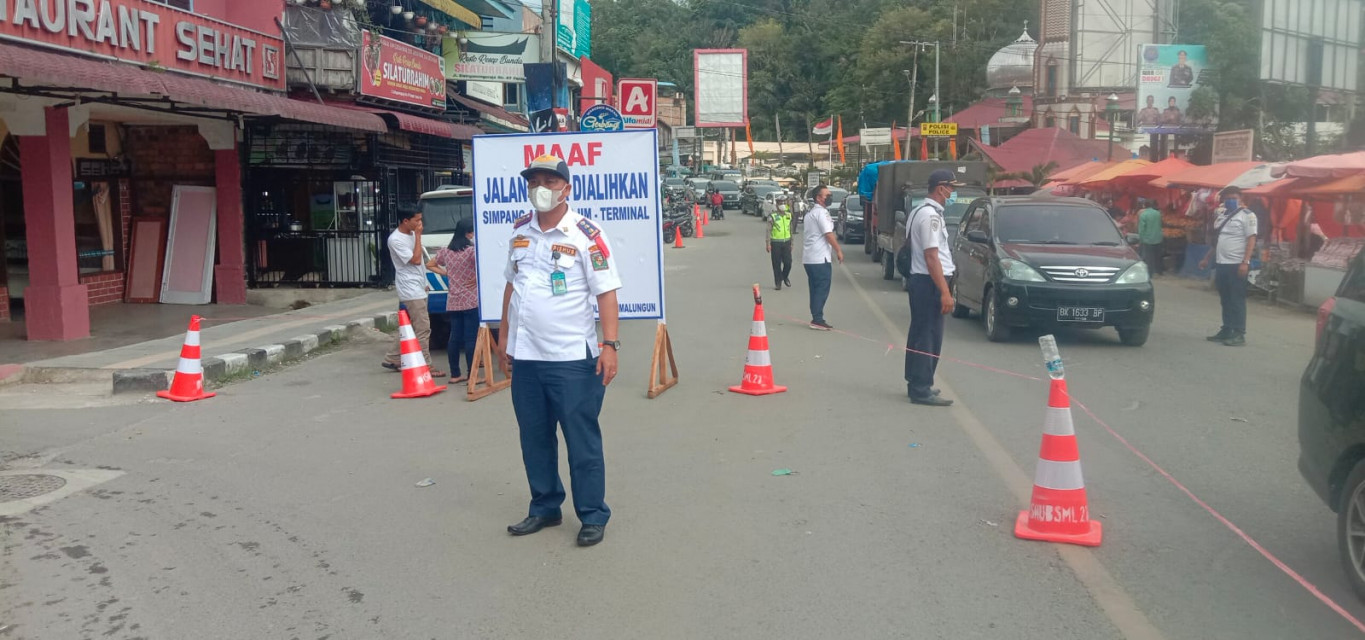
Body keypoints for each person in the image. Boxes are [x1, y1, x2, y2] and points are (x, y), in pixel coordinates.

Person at [496, 154, 622, 548]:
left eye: (550, 182)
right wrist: (503, 338)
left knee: (580, 438)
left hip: (571, 357)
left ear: (567, 189)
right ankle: (545, 506)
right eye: (534, 181)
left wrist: (610, 345)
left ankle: (592, 514)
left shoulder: (585, 234)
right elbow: (511, 287)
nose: (541, 189)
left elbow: (606, 291)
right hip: (527, 357)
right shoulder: (520, 231)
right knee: (534, 436)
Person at [904, 170, 960, 407]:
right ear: (940, 188)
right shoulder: (930, 216)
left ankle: (918, 382)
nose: (952, 193)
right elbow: (931, 256)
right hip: (930, 283)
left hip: (924, 281)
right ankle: (921, 388)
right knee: (928, 337)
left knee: (921, 334)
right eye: (951, 188)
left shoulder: (920, 211)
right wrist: (945, 292)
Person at [382, 207, 445, 377]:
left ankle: (393, 357)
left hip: (418, 286)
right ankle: (426, 365)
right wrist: (418, 236)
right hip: (410, 289)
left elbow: (422, 262)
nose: (420, 224)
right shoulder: (396, 240)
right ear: (405, 221)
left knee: (408, 326)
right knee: (423, 328)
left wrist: (425, 282)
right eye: (417, 220)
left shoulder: (410, 235)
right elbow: (416, 260)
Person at [1200, 186, 1257, 347]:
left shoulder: (1248, 216)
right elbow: (1217, 240)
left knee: (1236, 299)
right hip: (1221, 263)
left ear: (1240, 198)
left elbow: (1251, 239)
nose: (1230, 200)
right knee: (1225, 299)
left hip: (1237, 264)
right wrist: (1206, 258)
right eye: (1227, 198)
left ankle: (1239, 333)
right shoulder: (1221, 215)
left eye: (1234, 197)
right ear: (1223, 200)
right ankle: (1227, 329)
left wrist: (1245, 262)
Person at [427, 218, 478, 383]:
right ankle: (472, 375)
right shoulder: (471, 251)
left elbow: (430, 264)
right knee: (470, 338)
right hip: (471, 300)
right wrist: (476, 279)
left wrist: (446, 273)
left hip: (453, 300)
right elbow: (483, 267)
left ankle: (455, 374)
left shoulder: (446, 251)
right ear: (468, 233)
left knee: (454, 338)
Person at [801, 184, 843, 330]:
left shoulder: (811, 213)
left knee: (815, 288)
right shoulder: (821, 213)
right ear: (819, 198)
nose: (830, 197)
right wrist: (838, 250)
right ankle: (817, 319)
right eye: (827, 195)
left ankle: (816, 317)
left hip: (809, 258)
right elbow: (828, 234)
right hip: (819, 258)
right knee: (822, 288)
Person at [766, 194, 795, 290]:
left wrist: (792, 243)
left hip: (786, 242)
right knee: (776, 264)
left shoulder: (788, 215)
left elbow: (791, 230)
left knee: (788, 263)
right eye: (780, 203)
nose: (782, 204)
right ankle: (778, 283)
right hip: (775, 242)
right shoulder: (773, 216)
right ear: (777, 204)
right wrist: (768, 243)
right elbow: (768, 230)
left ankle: (784, 276)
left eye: (784, 203)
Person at [1136, 199, 1164, 275]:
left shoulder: (1143, 215)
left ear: (1144, 205)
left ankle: (1150, 273)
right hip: (1158, 238)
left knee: (1149, 257)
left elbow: (1141, 229)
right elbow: (1161, 224)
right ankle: (1159, 271)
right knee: (1158, 256)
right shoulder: (1158, 213)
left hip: (1148, 239)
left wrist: (1141, 239)